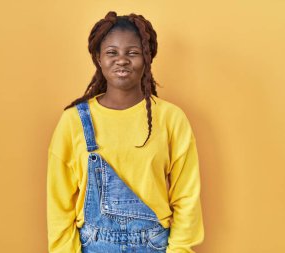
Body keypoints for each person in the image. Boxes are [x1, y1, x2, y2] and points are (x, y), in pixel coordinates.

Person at [47, 11, 204, 253]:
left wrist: (180, 249)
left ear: (147, 58)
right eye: (112, 52)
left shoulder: (171, 119)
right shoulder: (73, 122)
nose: (122, 60)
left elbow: (186, 195)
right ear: (99, 59)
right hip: (94, 244)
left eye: (133, 52)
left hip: (155, 245)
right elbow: (58, 203)